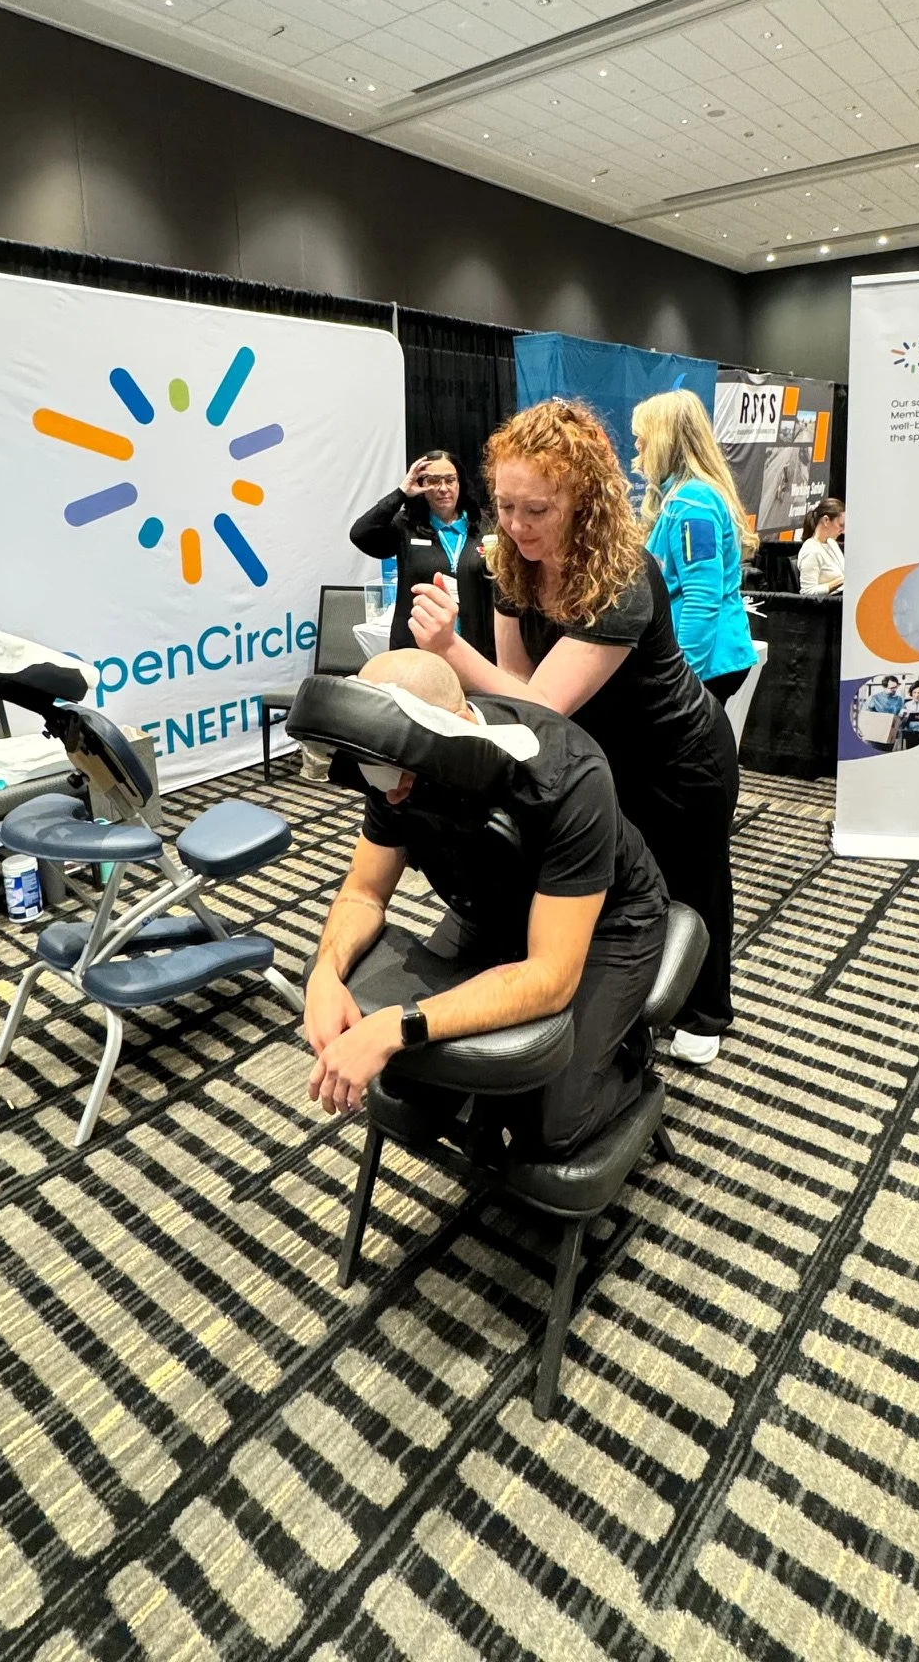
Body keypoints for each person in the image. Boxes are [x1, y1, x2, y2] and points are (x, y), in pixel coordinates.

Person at [407, 398, 738, 1067]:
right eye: (505, 506)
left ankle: (707, 1010)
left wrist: (448, 648)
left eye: (539, 510)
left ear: (583, 500)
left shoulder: (621, 575)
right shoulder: (512, 564)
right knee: (616, 889)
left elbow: (543, 707)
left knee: (692, 886)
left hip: (680, 761)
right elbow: (519, 693)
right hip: (602, 755)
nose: (518, 526)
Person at [300, 650, 668, 1155]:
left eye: (401, 774)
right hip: (488, 901)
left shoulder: (568, 777)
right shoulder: (390, 767)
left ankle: (630, 1058)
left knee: (548, 1127)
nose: (392, 792)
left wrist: (400, 1023)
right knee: (410, 1088)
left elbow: (550, 976)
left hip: (609, 920)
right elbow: (364, 892)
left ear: (451, 728)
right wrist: (325, 973)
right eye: (380, 774)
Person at [632, 389, 758, 704]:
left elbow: (702, 598)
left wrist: (681, 681)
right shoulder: (684, 498)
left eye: (643, 437)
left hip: (706, 663)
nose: (637, 446)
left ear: (664, 441)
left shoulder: (693, 503)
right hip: (703, 659)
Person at [350, 450, 495, 659]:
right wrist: (401, 493)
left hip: (473, 650)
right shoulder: (406, 526)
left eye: (450, 480)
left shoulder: (482, 525)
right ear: (421, 485)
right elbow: (359, 534)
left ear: (459, 483)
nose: (443, 488)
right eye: (434, 481)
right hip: (417, 651)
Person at [797, 498, 845, 594]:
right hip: (829, 606)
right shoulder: (811, 551)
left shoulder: (832, 543)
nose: (843, 531)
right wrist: (839, 582)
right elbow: (807, 592)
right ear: (826, 520)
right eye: (841, 525)